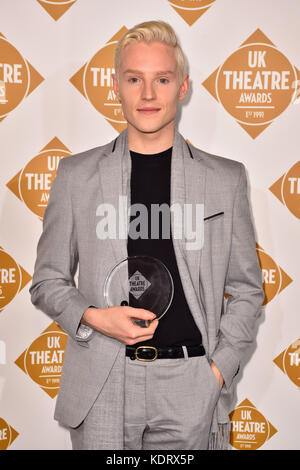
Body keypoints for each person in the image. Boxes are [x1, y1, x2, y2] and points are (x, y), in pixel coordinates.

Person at [30, 20, 264, 450]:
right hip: (102, 379)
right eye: (135, 79)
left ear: (183, 86)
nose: (148, 94)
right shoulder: (76, 176)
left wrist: (217, 371)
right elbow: (47, 281)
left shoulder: (225, 180)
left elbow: (247, 290)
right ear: (116, 85)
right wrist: (94, 317)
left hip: (190, 383)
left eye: (162, 79)